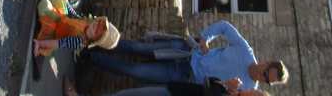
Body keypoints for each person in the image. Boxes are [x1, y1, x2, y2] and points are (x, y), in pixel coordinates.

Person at [85, 21, 288, 90]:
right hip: (185, 52)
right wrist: (205, 38)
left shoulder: (249, 89)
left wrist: (227, 88)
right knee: (136, 47)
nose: (262, 77)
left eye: (267, 81)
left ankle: (90, 56)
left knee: (135, 70)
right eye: (266, 73)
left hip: (186, 77)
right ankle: (94, 40)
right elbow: (224, 27)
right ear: (266, 63)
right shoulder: (245, 51)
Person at [34, 0, 120, 56]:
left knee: (44, 4)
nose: (96, 26)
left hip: (54, 31)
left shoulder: (79, 41)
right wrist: (66, 3)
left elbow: (58, 43)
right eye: (99, 23)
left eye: (97, 31)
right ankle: (52, 7)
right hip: (62, 18)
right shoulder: (86, 23)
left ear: (96, 40)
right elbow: (73, 15)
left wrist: (40, 43)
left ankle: (47, 19)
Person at [62, 76, 271, 96]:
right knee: (128, 93)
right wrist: (225, 83)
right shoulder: (232, 89)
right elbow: (207, 81)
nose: (252, 91)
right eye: (256, 91)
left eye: (255, 95)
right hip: (174, 90)